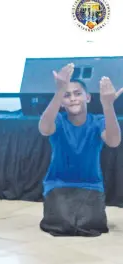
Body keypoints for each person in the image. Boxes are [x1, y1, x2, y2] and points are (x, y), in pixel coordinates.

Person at [38, 63, 122, 237]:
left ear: (88, 97)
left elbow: (114, 142)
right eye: (67, 96)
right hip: (58, 185)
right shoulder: (59, 121)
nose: (73, 98)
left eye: (77, 94)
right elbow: (44, 128)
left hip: (90, 185)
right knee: (61, 224)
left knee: (90, 225)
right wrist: (59, 91)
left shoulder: (98, 122)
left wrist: (108, 105)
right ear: (62, 102)